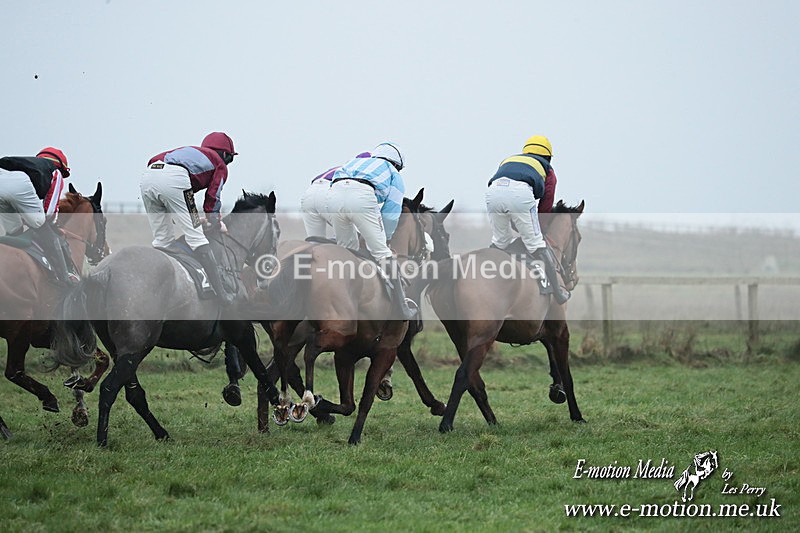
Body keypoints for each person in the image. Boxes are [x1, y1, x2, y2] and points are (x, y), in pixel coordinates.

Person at [139, 132, 238, 305]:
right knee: (197, 238)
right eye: (229, 159)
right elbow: (213, 197)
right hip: (175, 179)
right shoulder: (219, 163)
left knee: (163, 241)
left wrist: (193, 217)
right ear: (224, 154)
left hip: (148, 176)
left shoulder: (194, 154)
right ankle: (222, 295)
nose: (228, 163)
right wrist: (214, 221)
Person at [327, 142, 417, 320]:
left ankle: (336, 301)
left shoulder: (355, 162)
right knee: (383, 254)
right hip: (361, 196)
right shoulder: (392, 172)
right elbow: (391, 213)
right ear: (397, 164)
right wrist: (386, 238)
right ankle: (402, 308)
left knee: (347, 252)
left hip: (333, 195)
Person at [485, 135, 570, 304]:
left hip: (493, 192)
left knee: (501, 242)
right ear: (548, 157)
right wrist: (539, 227)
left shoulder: (509, 160)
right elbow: (545, 205)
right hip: (520, 193)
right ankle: (558, 293)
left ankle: (486, 278)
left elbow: (504, 191)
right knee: (536, 244)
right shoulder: (548, 171)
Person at [0, 147, 78, 284]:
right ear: (60, 167)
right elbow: (50, 211)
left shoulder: (28, 165)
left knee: (14, 230)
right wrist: (54, 226)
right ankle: (65, 277)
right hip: (18, 184)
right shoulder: (55, 173)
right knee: (40, 223)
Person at [300, 152, 370, 239]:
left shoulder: (341, 168)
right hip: (328, 192)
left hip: (309, 194)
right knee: (352, 239)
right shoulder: (365, 172)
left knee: (314, 243)